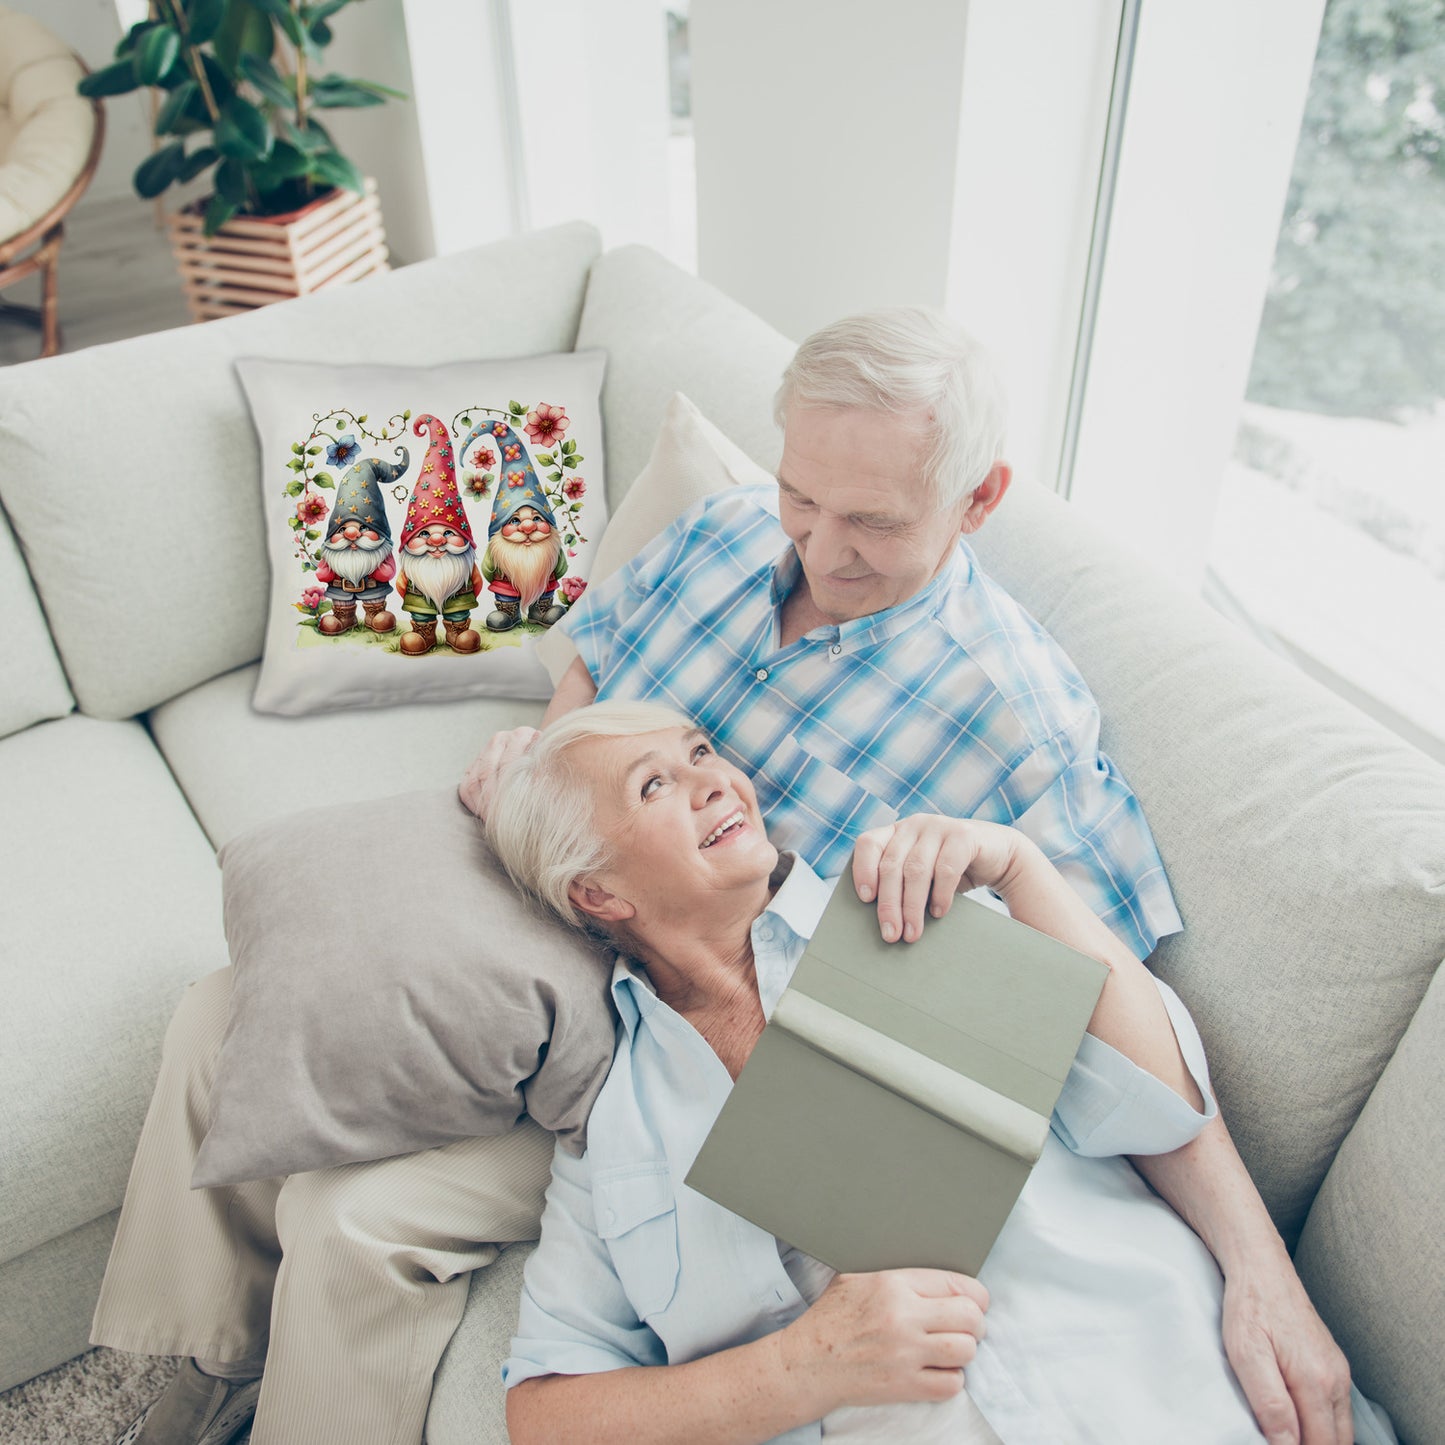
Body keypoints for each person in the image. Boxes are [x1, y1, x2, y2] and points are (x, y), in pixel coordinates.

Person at [94, 309, 1349, 1445]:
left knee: (355, 1218)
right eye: (804, 495)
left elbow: (1102, 1019)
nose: (819, 545)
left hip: (693, 1012)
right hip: (580, 887)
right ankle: (194, 1362)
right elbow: (592, 667)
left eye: (871, 520)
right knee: (229, 1007)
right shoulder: (724, 532)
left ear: (976, 501)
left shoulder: (1017, 725)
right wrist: (545, 766)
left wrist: (1259, 1266)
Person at [488, 701, 1385, 1445]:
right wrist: (802, 1367)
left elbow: (1158, 1106)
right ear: (597, 893)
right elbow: (545, 1412)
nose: (715, 779)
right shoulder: (613, 1133)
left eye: (700, 752)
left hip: (1175, 1393)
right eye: (656, 784)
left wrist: (1020, 868)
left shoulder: (910, 907)